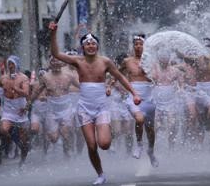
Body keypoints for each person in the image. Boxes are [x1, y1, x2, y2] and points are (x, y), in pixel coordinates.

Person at [49, 22, 141, 185]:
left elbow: (120, 77)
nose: (90, 45)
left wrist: (134, 92)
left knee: (104, 144)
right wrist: (53, 33)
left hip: (101, 108)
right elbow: (56, 53)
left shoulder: (105, 62)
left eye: (93, 43)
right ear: (83, 47)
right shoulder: (77, 61)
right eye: (87, 44)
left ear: (97, 46)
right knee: (92, 145)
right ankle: (100, 174)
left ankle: (107, 132)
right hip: (84, 108)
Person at [120, 34, 159, 167]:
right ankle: (140, 144)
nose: (138, 46)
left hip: (148, 98)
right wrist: (109, 85)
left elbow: (156, 79)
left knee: (150, 130)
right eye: (136, 44)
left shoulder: (151, 61)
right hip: (134, 96)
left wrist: (146, 72)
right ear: (133, 46)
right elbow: (118, 73)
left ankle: (151, 152)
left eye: (140, 44)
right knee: (139, 119)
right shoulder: (127, 61)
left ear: (145, 46)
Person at [0, 55, 30, 167]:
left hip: (20, 110)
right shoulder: (3, 78)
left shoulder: (23, 78)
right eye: (9, 64)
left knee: (24, 142)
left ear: (17, 65)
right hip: (8, 110)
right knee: (3, 129)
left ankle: (23, 160)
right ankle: (11, 142)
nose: (10, 66)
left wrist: (16, 88)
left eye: (12, 64)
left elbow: (26, 93)